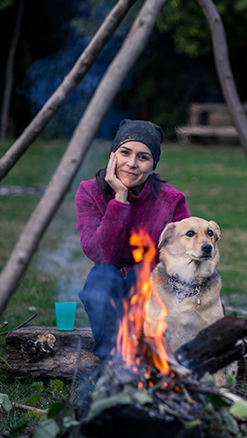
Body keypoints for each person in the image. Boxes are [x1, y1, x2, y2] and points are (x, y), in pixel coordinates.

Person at [76, 119, 190, 359]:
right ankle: (109, 361)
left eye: (143, 157)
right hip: (109, 287)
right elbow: (101, 255)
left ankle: (142, 356)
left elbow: (182, 261)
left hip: (153, 297)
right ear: (112, 156)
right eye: (125, 153)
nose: (131, 163)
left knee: (143, 273)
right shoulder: (90, 192)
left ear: (152, 165)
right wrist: (120, 199)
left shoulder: (171, 201)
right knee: (102, 274)